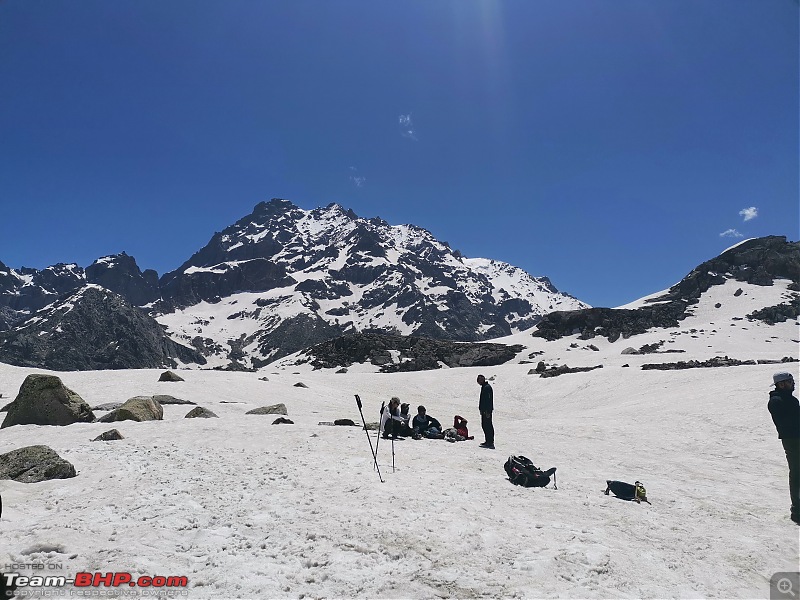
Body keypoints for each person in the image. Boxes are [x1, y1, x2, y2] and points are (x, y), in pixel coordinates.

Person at [767, 371, 800, 525]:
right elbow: (789, 422)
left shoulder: (788, 399)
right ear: (781, 384)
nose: (793, 384)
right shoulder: (777, 401)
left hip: (795, 438)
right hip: (792, 440)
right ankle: (797, 510)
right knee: (797, 473)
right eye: (789, 381)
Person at [477, 374, 494, 449]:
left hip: (487, 411)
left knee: (488, 426)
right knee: (485, 425)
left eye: (479, 379)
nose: (478, 381)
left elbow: (489, 400)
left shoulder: (487, 388)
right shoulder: (484, 387)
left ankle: (490, 442)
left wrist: (488, 411)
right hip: (484, 411)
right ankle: (488, 441)